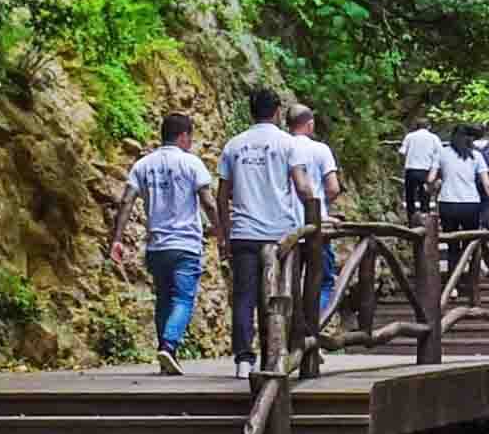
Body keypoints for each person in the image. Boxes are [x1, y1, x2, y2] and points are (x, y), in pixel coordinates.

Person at [217, 85, 322, 375]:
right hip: (281, 235)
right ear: (277, 112)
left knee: (244, 297)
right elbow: (302, 185)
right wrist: (314, 213)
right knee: (285, 294)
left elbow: (222, 195)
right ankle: (282, 353)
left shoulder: (234, 145)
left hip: (244, 232)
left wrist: (224, 234)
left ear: (252, 111)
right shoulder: (288, 144)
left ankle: (243, 359)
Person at [105, 110, 215, 376]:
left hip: (156, 246)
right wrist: (222, 231)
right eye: (190, 137)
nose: (191, 142)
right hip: (185, 243)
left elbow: (126, 201)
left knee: (163, 298)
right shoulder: (192, 163)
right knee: (183, 299)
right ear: (183, 136)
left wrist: (117, 240)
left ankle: (168, 355)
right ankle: (169, 344)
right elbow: (208, 202)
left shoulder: (143, 165)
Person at [289, 104, 345, 322]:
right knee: (323, 281)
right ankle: (310, 330)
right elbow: (333, 187)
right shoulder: (320, 150)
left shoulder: (281, 146)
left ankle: (292, 331)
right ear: (310, 124)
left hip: (285, 227)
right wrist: (322, 205)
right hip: (315, 224)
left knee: (288, 282)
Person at [428, 122, 489, 237]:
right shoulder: (476, 155)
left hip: (447, 203)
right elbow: (487, 184)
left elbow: (431, 179)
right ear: (470, 138)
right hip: (470, 204)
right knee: (470, 242)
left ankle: (453, 254)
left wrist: (433, 188)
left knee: (451, 242)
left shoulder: (441, 152)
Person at [399, 117, 440, 220]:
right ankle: (425, 218)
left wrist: (407, 160)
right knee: (425, 196)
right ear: (429, 126)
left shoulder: (409, 136)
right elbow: (440, 153)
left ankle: (411, 219)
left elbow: (402, 152)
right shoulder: (434, 138)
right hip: (426, 171)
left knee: (410, 196)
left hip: (411, 170)